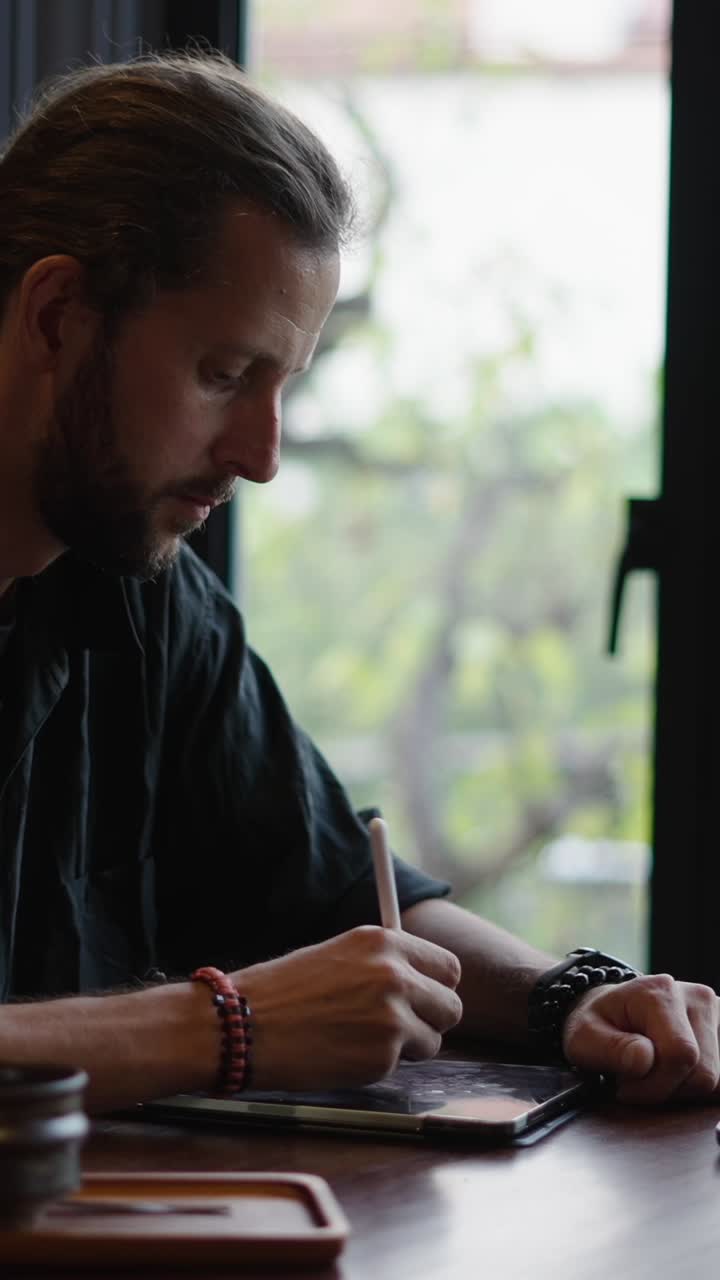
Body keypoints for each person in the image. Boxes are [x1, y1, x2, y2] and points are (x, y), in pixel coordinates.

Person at [0, 52, 717, 1115]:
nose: (262, 454)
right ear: (59, 316)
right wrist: (226, 1025)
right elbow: (275, 986)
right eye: (225, 375)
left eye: (283, 385)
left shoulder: (140, 588)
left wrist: (573, 997)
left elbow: (336, 891)